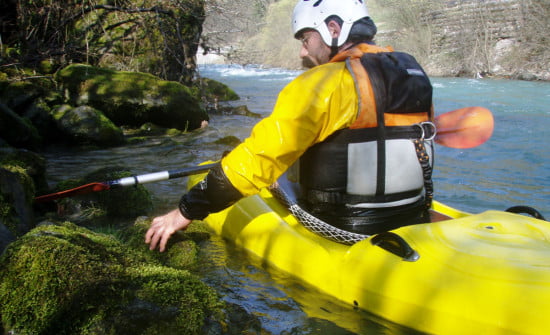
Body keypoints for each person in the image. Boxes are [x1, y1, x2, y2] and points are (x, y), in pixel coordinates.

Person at [146, 0, 434, 252]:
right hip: (411, 215)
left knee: (260, 169)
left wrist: (186, 210)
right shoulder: (411, 72)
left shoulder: (324, 82)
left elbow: (261, 157)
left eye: (305, 39)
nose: (302, 52)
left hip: (344, 226)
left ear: (333, 29)